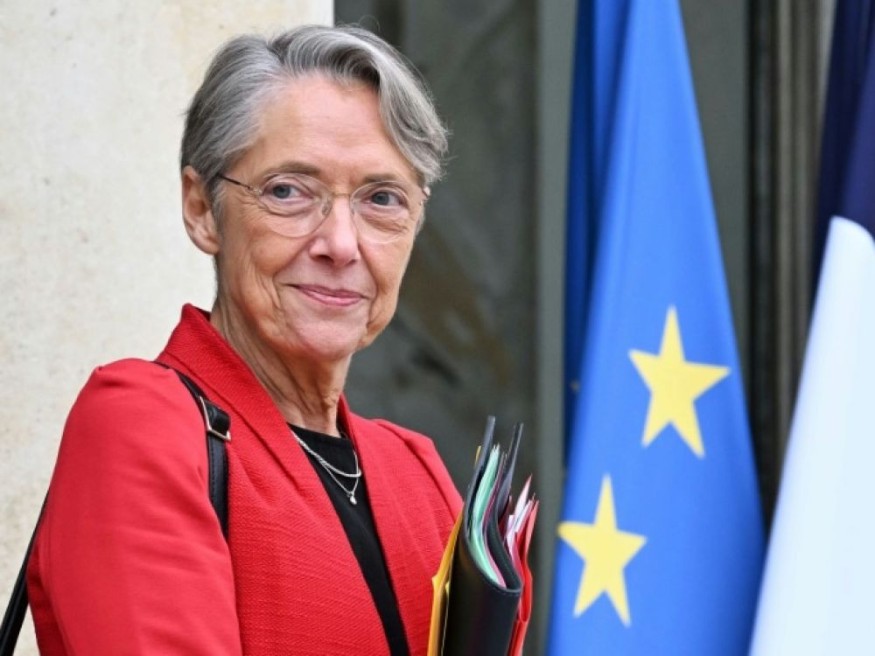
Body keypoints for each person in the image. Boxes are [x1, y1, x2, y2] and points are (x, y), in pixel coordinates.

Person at [25, 25, 462, 656]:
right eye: (288, 191)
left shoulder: (416, 475)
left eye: (382, 199)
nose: (341, 244)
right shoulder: (143, 428)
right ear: (203, 209)